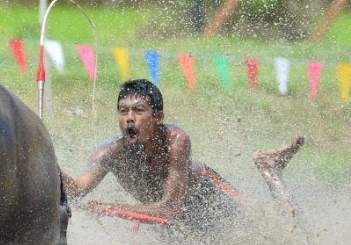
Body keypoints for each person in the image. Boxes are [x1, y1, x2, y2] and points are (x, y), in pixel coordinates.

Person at [61, 79, 305, 236]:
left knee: (278, 235)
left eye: (139, 110)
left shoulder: (176, 140)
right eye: (123, 111)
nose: (129, 118)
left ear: (157, 117)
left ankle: (269, 168)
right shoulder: (108, 154)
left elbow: (169, 208)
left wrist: (110, 208)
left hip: (208, 196)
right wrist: (48, 165)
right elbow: (76, 189)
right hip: (171, 221)